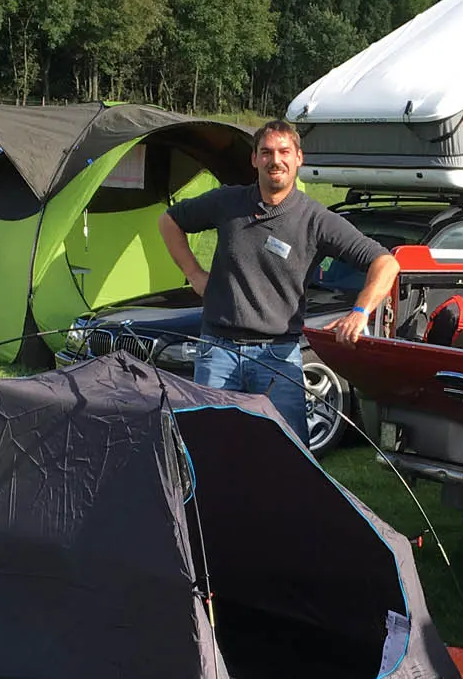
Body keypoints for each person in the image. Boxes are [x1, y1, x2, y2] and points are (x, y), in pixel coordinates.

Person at [158, 120, 398, 442]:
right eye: (267, 152)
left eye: (285, 152)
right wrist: (194, 274)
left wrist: (360, 311)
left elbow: (385, 262)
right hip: (217, 352)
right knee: (208, 448)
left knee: (288, 453)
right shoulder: (227, 202)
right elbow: (169, 221)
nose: (276, 160)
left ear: (299, 158)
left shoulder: (316, 220)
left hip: (279, 356)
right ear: (254, 159)